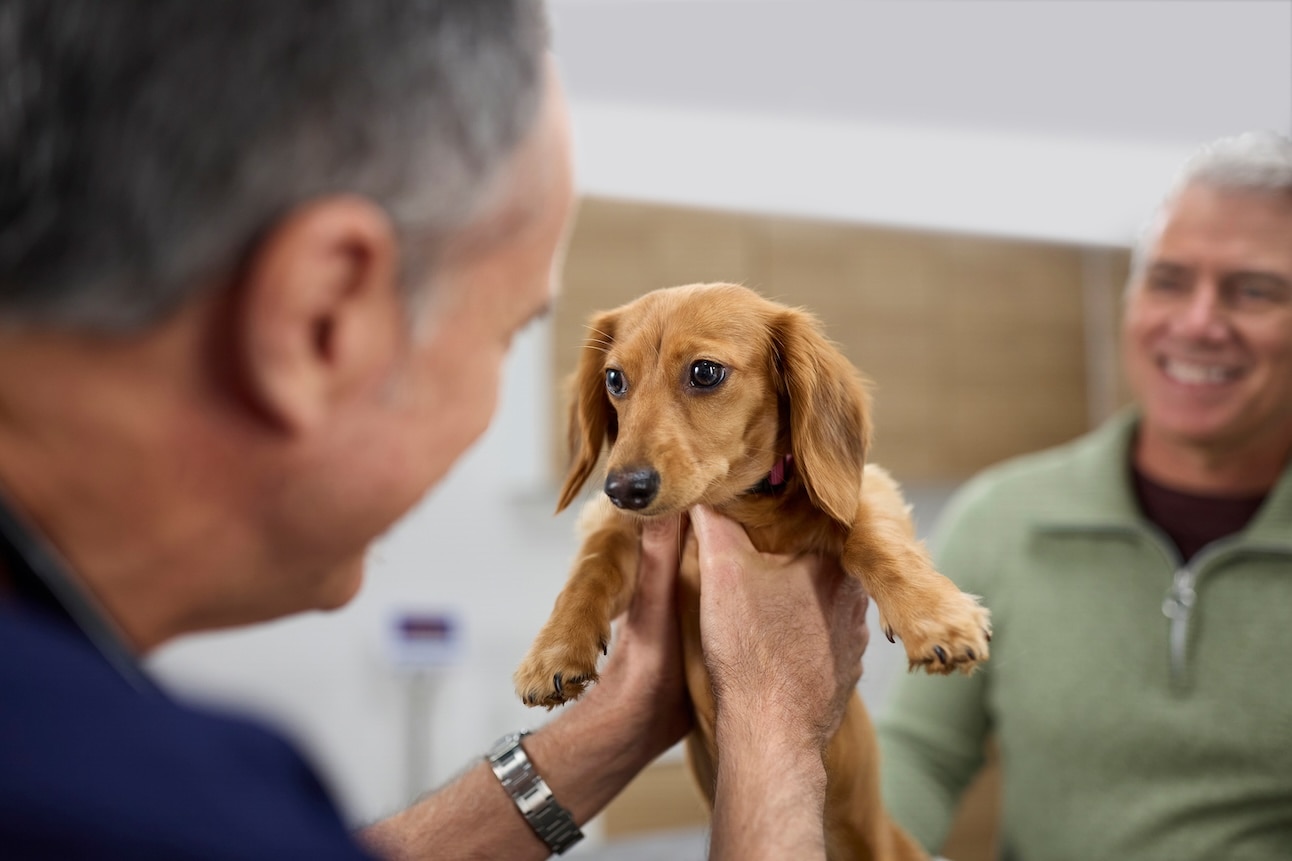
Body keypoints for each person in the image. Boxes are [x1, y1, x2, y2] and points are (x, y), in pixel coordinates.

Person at [0, 2, 870, 859]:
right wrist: (775, 723)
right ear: (322, 317)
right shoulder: (142, 805)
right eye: (507, 332)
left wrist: (621, 719)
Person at [877, 130, 1292, 860]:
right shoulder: (1003, 520)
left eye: (1253, 290)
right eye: (1168, 280)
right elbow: (923, 751)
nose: (1197, 322)